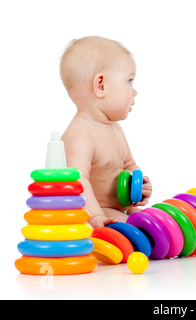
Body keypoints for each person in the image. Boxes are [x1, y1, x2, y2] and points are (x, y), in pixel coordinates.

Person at [60, 36, 152, 228]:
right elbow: (77, 182)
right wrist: (95, 218)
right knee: (142, 232)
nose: (134, 91)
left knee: (156, 221)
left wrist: (140, 186)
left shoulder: (115, 128)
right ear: (101, 85)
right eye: (129, 81)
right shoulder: (80, 135)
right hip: (96, 214)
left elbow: (129, 164)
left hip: (121, 209)